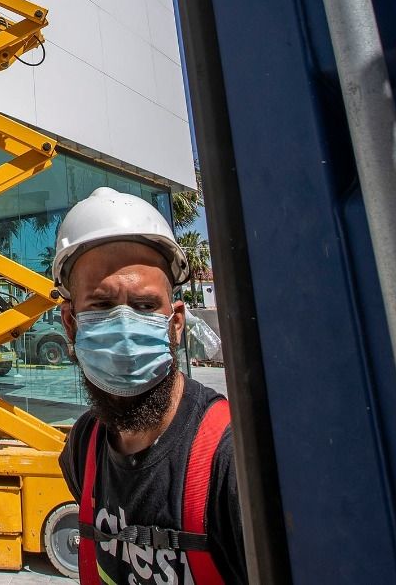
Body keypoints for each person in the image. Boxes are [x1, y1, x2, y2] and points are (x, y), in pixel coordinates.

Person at [54, 187, 247, 585]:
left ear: (175, 323)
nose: (124, 329)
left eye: (144, 307)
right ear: (70, 324)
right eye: (102, 306)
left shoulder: (232, 463)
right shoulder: (83, 449)